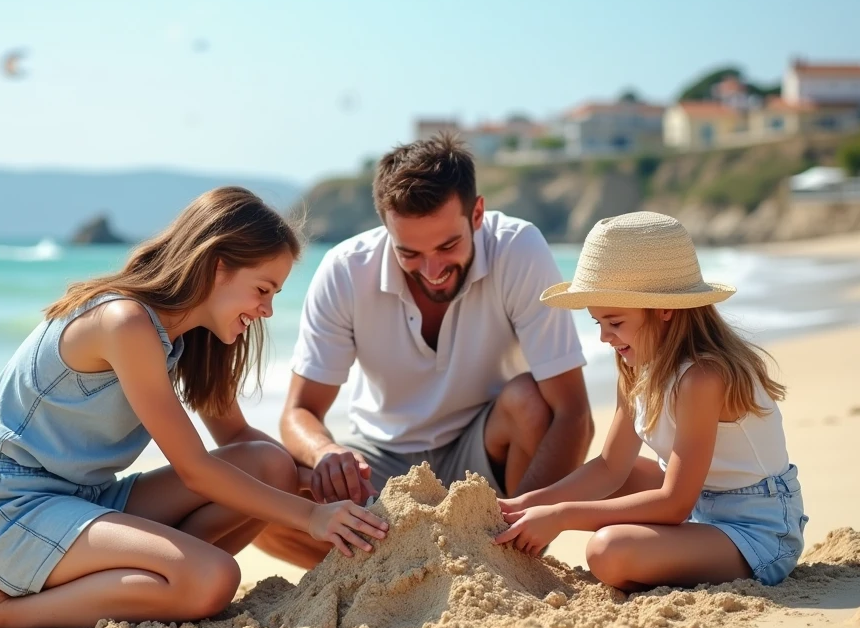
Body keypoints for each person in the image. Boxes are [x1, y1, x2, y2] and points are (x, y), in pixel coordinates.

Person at [0, 187, 388, 628]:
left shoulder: (191, 337)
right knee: (214, 579)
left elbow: (236, 439)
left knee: (270, 464)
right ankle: (2, 613)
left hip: (84, 500)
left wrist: (319, 478)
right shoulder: (123, 322)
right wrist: (311, 517)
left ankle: (161, 581)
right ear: (218, 266)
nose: (267, 310)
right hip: (8, 509)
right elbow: (195, 470)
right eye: (263, 289)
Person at [255, 134, 593, 569]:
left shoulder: (518, 248)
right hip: (378, 463)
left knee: (531, 400)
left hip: (485, 454)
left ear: (477, 214)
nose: (432, 271)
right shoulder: (344, 270)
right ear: (386, 228)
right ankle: (385, 566)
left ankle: (507, 559)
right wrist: (326, 454)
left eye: (447, 247)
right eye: (410, 252)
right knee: (259, 497)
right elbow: (299, 412)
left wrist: (525, 519)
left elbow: (574, 415)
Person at [494, 211, 807, 590]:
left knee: (607, 551)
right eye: (598, 324)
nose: (606, 338)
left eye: (616, 322)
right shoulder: (637, 367)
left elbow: (674, 503)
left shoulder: (702, 378)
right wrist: (528, 502)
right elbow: (610, 467)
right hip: (697, 507)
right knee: (625, 475)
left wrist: (561, 516)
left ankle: (666, 554)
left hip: (754, 529)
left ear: (664, 309)